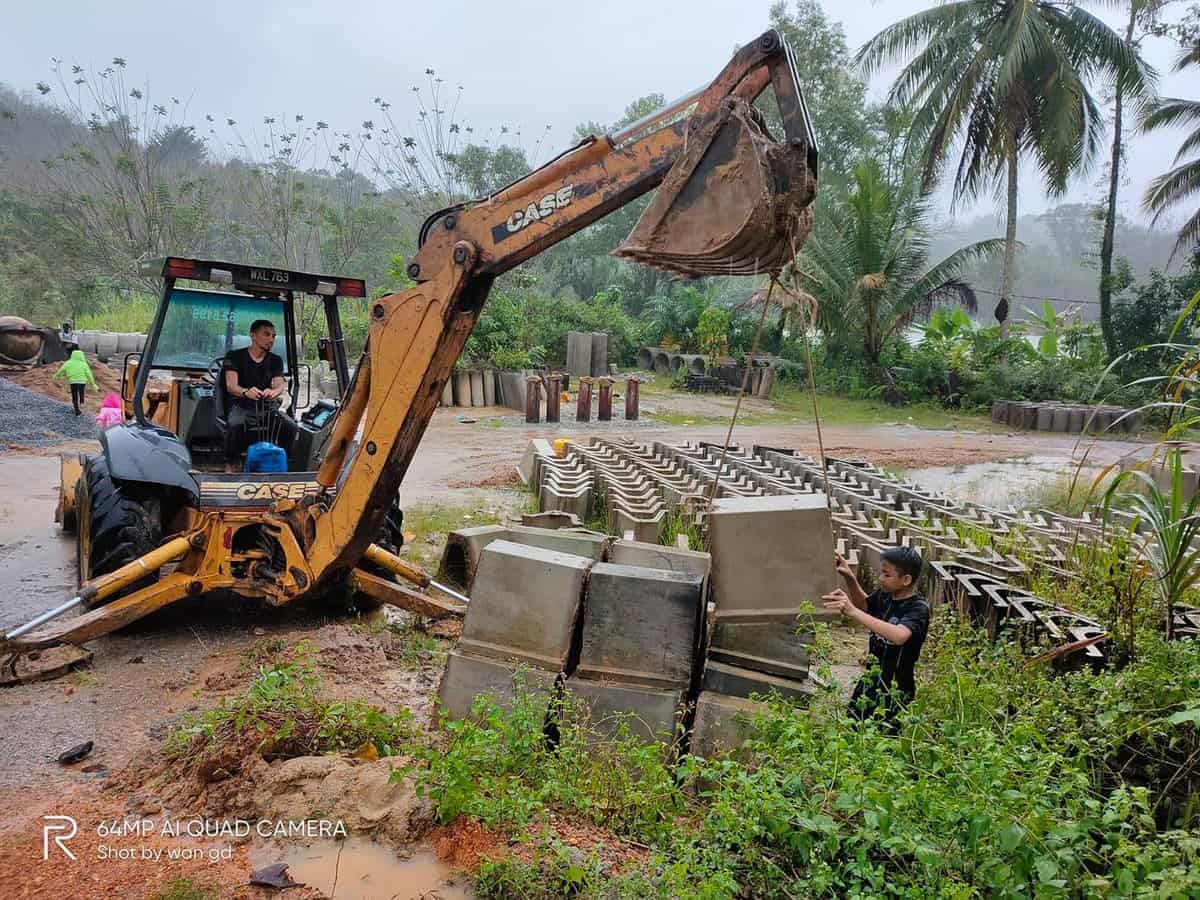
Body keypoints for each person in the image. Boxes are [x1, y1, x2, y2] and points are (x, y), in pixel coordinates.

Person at [822, 546, 930, 730]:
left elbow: (899, 636)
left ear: (906, 580)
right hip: (870, 682)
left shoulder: (918, 608)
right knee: (853, 729)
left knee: (883, 736)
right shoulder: (885, 596)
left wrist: (852, 612)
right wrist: (849, 577)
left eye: (887, 575)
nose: (880, 578)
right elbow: (865, 606)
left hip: (894, 689)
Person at [222, 319, 285, 472]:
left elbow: (279, 384)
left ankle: (281, 461)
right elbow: (231, 386)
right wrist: (246, 392)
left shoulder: (276, 360)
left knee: (290, 426)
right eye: (267, 334)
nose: (271, 339)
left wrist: (274, 392)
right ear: (253, 335)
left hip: (265, 407)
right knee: (235, 425)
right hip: (240, 405)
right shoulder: (234, 356)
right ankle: (232, 464)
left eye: (273, 336)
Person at [54, 348, 98, 415]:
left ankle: (76, 409)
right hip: (82, 381)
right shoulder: (84, 364)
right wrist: (93, 384)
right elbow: (89, 374)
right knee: (81, 391)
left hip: (73, 381)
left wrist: (56, 376)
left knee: (74, 394)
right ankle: (82, 402)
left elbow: (62, 370)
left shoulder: (68, 363)